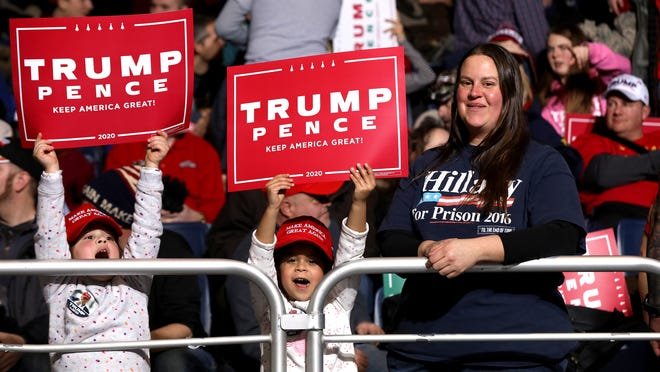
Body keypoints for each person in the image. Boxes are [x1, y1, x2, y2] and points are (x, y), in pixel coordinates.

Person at [378, 43, 586, 370]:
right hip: (423, 347)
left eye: (488, 83)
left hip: (515, 348)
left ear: (509, 93)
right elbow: (390, 238)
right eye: (466, 83)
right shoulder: (427, 163)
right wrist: (427, 249)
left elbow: (563, 234)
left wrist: (477, 250)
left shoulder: (541, 161)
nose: (476, 93)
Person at [32, 131, 169, 370]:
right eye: (89, 237)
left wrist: (151, 168)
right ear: (69, 252)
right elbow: (49, 233)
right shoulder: (61, 284)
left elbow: (147, 229)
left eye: (108, 237)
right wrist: (51, 172)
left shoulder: (133, 280)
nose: (101, 241)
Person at [80, 165, 217, 372]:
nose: (81, 214)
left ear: (117, 215)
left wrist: (125, 348)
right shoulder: (81, 249)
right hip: (96, 353)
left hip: (163, 348)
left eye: (90, 209)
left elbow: (183, 325)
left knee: (173, 363)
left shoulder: (169, 248)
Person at [250, 164, 375, 371]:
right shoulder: (270, 304)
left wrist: (359, 201)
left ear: (327, 270)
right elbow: (259, 259)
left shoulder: (338, 301)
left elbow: (352, 250)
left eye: (312, 261)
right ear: (278, 268)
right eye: (291, 260)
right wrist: (272, 208)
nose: (301, 267)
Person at [572, 73, 660, 232]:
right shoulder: (590, 141)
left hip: (655, 219)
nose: (617, 111)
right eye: (612, 103)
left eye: (626, 104)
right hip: (609, 221)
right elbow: (601, 174)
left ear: (645, 112)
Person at [0, 138, 50, 372]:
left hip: (38, 353)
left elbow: (70, 304)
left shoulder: (56, 237)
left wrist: (23, 341)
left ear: (20, 180)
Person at [104, 129, 225, 223]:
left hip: (186, 228)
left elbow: (215, 204)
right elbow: (107, 197)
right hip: (133, 225)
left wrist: (195, 216)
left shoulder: (203, 150)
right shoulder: (124, 148)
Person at [538, 22, 631, 138]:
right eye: (550, 49)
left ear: (578, 49)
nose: (555, 54)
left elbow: (623, 68)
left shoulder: (598, 84)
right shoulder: (549, 106)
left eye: (563, 47)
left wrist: (591, 52)